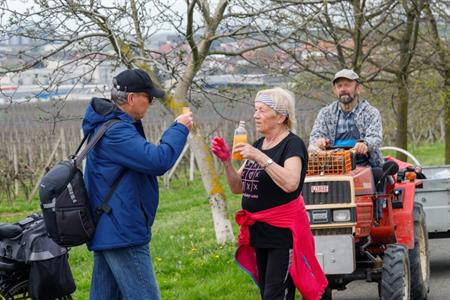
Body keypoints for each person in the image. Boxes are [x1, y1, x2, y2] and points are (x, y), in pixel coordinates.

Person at [82, 68, 193, 300]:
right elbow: (158, 161)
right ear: (131, 98)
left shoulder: (108, 125)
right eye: (148, 97)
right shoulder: (116, 132)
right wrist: (179, 128)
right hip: (122, 231)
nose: (151, 103)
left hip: (109, 227)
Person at [211, 87, 327, 300]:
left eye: (262, 110)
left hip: (282, 236)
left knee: (275, 295)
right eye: (255, 110)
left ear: (281, 116)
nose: (255, 115)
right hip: (259, 234)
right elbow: (238, 187)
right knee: (267, 292)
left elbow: (291, 183)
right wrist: (226, 162)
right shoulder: (258, 145)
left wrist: (259, 157)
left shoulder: (292, 145)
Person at [308, 69, 384, 168]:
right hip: (332, 165)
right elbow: (314, 137)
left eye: (347, 85)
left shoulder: (370, 112)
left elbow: (375, 138)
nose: (343, 89)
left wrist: (365, 143)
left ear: (358, 88)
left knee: (378, 176)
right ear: (335, 91)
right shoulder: (325, 113)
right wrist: (318, 141)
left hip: (365, 164)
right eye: (339, 86)